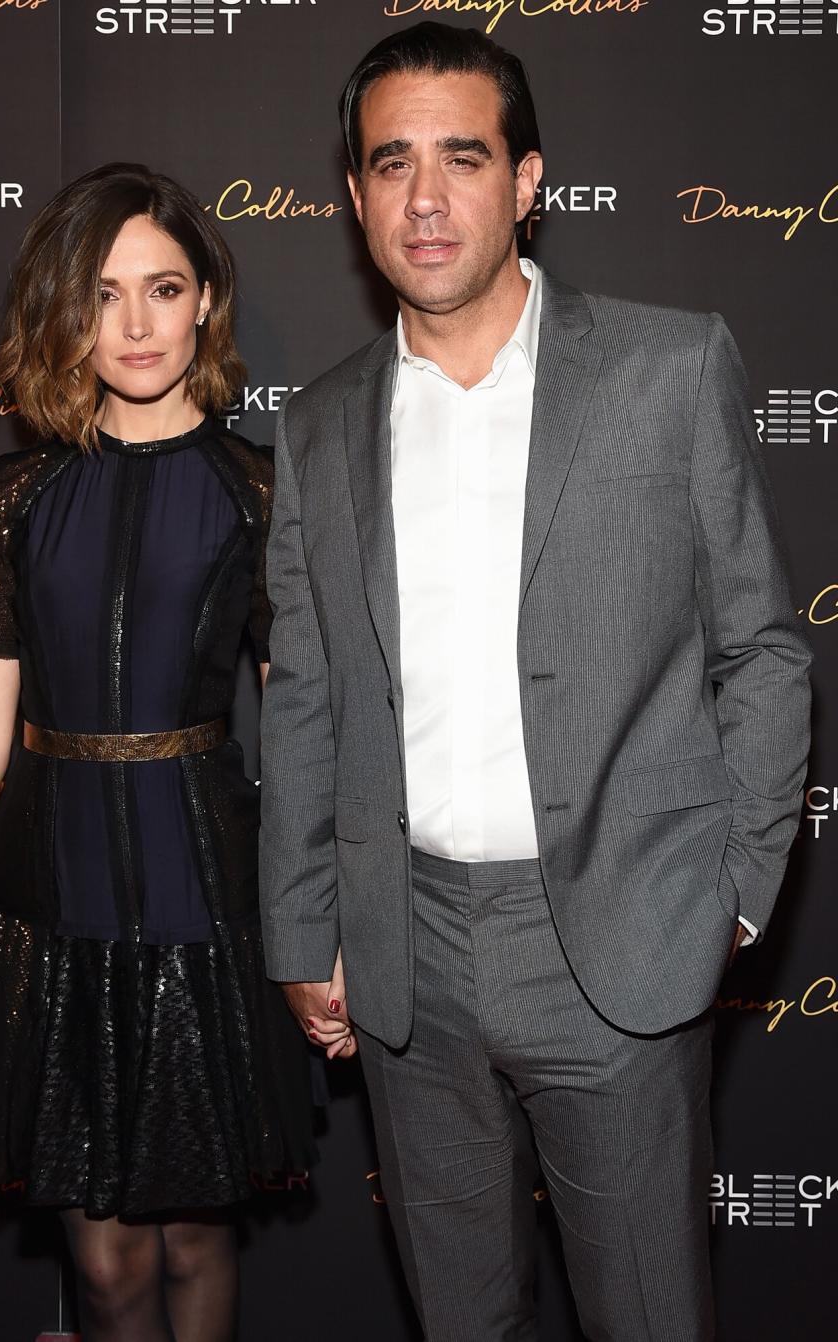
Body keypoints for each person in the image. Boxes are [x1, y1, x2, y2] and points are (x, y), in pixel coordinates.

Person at [259, 22, 811, 1342]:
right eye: (392, 164)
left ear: (530, 180)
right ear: (353, 197)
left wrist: (731, 896)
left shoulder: (669, 369)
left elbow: (762, 645)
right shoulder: (320, 421)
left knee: (651, 1318)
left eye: (464, 157)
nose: (428, 197)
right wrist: (301, 925)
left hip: (622, 937)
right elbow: (305, 688)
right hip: (410, 957)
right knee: (463, 1321)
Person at [0, 162, 313, 1342]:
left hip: (208, 897)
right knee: (111, 1262)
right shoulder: (9, 500)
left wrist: (317, 905)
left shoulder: (260, 495)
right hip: (57, 903)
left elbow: (298, 720)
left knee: (195, 1240)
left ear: (204, 304)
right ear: (65, 312)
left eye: (164, 288)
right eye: (105, 292)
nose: (136, 324)